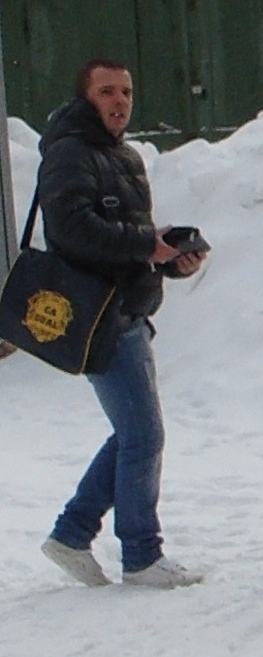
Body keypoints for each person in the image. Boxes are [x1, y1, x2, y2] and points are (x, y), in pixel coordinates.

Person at [37, 60, 207, 589]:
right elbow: (71, 230)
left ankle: (71, 534)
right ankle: (141, 555)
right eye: (107, 91)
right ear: (85, 97)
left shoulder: (123, 156)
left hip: (128, 308)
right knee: (144, 435)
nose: (120, 101)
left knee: (133, 433)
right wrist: (142, 244)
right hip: (98, 315)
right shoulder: (70, 153)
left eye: (127, 91)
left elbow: (122, 234)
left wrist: (166, 256)